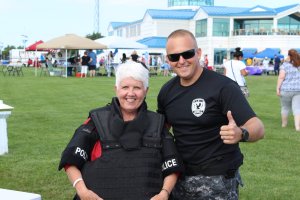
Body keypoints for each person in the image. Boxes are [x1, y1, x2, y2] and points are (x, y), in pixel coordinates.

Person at [157, 29, 264, 200]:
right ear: (167, 59)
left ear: (198, 53)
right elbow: (161, 130)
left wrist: (241, 133)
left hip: (218, 180)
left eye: (187, 54)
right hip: (180, 177)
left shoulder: (223, 87)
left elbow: (257, 126)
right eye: (174, 57)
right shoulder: (167, 92)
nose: (181, 61)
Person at [59, 61, 184, 200]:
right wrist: (83, 192)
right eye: (125, 87)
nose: (130, 93)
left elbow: (172, 166)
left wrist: (164, 193)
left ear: (146, 90)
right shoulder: (97, 120)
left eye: (137, 87)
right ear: (116, 89)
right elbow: (71, 160)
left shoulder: (158, 123)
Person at [276, 49, 300, 131]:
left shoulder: (284, 65)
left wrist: (277, 88)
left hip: (286, 89)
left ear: (289, 55)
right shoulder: (298, 65)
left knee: (285, 108)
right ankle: (297, 127)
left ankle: (284, 124)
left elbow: (281, 77)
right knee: (297, 108)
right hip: (298, 89)